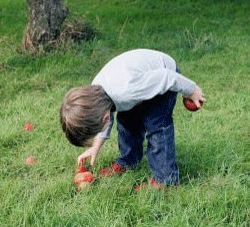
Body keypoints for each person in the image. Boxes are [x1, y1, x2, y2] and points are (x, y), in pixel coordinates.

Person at [60, 49, 205, 190]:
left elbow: (167, 77)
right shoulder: (96, 95)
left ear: (104, 118)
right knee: (127, 122)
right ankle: (129, 161)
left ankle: (166, 181)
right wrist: (95, 147)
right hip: (138, 83)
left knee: (157, 126)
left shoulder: (127, 90)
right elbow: (106, 116)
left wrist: (191, 90)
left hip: (164, 76)